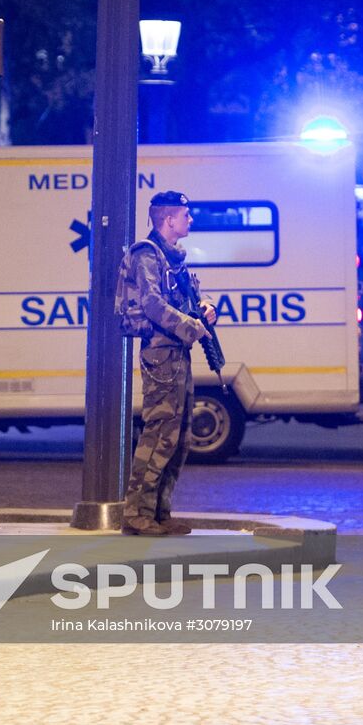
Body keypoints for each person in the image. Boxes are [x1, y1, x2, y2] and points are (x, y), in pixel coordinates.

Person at [121, 190, 217, 537]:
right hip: (161, 356)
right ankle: (136, 513)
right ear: (168, 219)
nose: (190, 220)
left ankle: (160, 512)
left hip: (178, 354)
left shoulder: (174, 258)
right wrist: (193, 328)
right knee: (159, 433)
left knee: (179, 437)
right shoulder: (147, 255)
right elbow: (152, 304)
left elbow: (184, 297)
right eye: (185, 215)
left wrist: (206, 307)